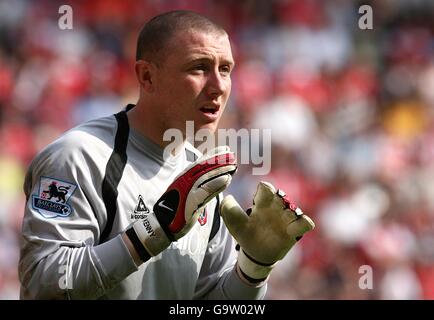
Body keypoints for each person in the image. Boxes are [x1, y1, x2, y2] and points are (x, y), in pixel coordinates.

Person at [18, 10, 315, 300]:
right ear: (147, 76)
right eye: (199, 67)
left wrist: (253, 270)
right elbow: (44, 284)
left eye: (225, 69)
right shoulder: (79, 156)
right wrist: (154, 229)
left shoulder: (205, 176)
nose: (219, 86)